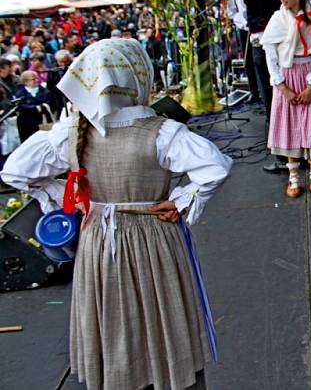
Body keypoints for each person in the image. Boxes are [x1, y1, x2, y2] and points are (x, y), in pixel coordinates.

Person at [1, 38, 232, 390]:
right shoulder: (162, 132)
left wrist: (65, 197)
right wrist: (183, 199)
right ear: (137, 77)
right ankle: (168, 375)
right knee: (162, 314)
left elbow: (15, 171)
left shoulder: (71, 132)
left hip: (99, 242)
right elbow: (215, 167)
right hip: (154, 237)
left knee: (112, 320)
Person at [261, 0, 311, 197]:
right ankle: (293, 177)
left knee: (310, 123)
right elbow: (271, 56)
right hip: (287, 76)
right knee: (289, 125)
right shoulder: (277, 20)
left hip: (307, 73)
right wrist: (282, 86)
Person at [243, 0, 284, 172]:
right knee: (289, 92)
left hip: (261, 44)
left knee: (269, 97)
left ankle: (278, 151)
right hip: (287, 44)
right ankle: (298, 148)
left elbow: (247, 20)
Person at [229, 0, 261, 105]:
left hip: (258, 27)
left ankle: (262, 89)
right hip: (244, 29)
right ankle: (253, 91)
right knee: (248, 61)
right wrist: (243, 23)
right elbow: (233, 12)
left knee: (260, 59)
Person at [15, 70, 52, 143]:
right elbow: (20, 106)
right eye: (33, 79)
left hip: (42, 121)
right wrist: (34, 108)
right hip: (26, 122)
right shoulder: (20, 92)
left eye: (36, 78)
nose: (36, 80)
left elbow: (49, 101)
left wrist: (41, 106)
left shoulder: (43, 90)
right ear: (26, 82)